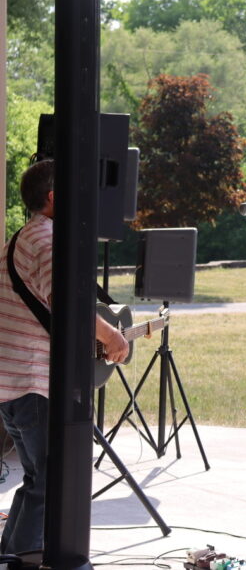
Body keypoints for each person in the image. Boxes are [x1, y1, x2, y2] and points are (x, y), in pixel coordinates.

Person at [0, 159, 129, 555]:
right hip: (32, 381)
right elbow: (69, 305)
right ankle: (25, 559)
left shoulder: (23, 236)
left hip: (15, 383)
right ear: (54, 197)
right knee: (51, 478)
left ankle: (12, 556)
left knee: (39, 478)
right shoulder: (47, 240)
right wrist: (113, 337)